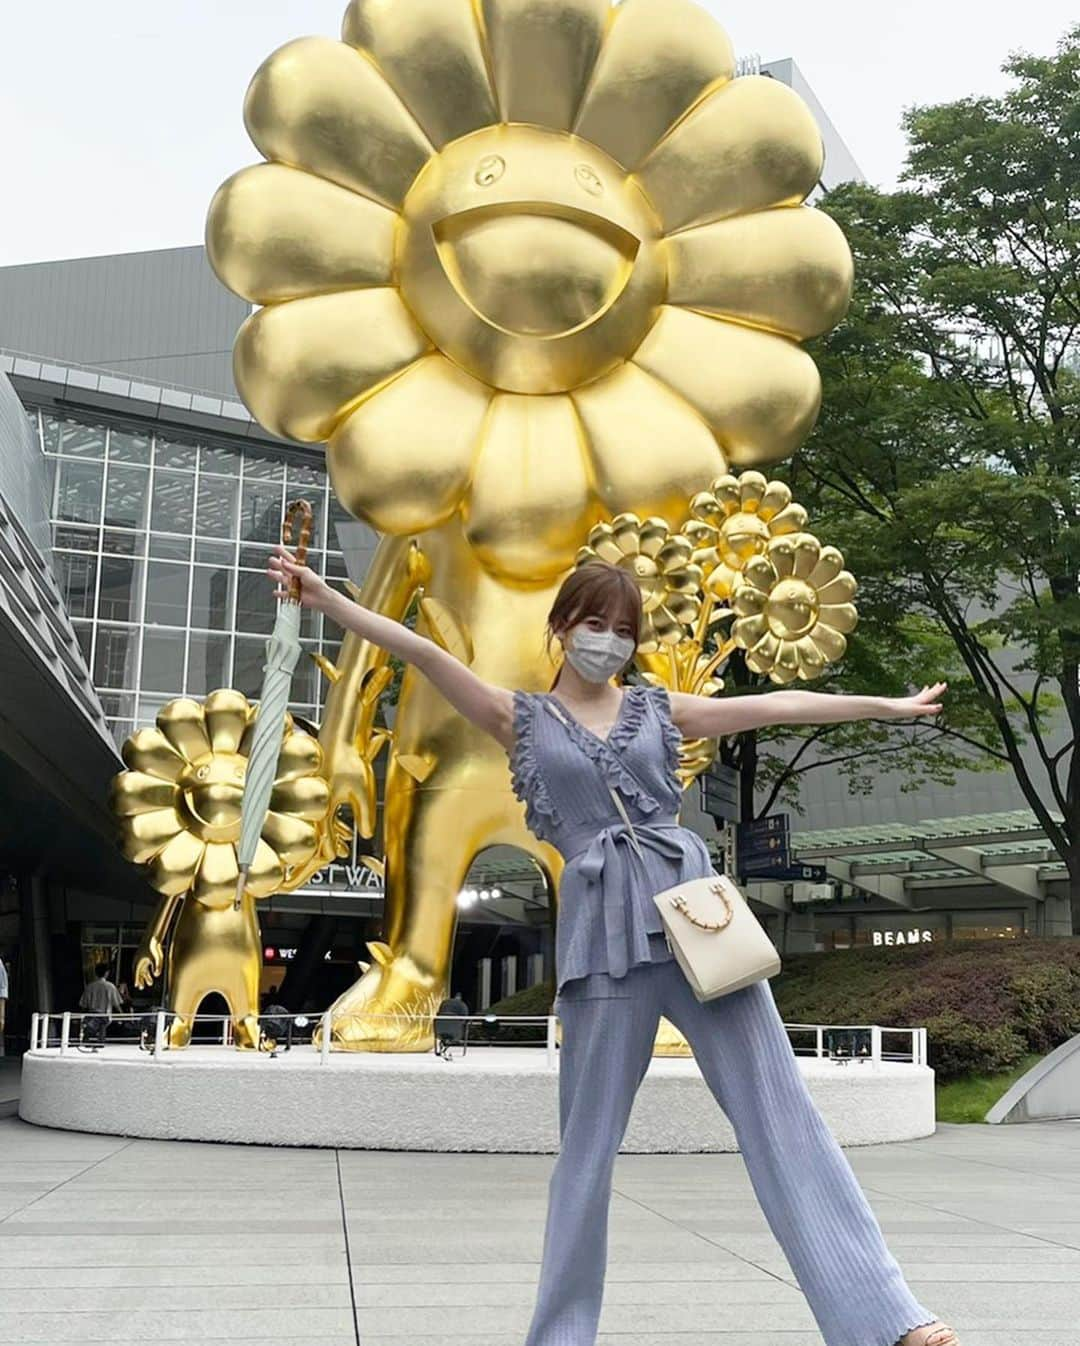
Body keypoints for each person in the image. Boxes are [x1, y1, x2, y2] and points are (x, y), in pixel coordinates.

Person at [268, 543, 958, 1346]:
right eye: (595, 623)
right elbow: (419, 648)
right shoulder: (517, 717)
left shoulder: (658, 710)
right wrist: (324, 599)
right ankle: (561, 1336)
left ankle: (887, 1319)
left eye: (623, 628)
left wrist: (885, 706)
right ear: (563, 627)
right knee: (587, 1155)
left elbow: (776, 706)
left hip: (701, 930)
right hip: (603, 950)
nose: (610, 640)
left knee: (784, 1117)